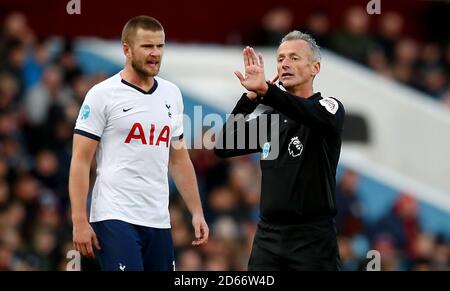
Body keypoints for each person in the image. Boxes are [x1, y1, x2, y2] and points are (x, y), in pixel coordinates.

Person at [69, 16, 209, 271]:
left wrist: (196, 211)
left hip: (158, 218)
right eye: (147, 46)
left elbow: (178, 159)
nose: (155, 53)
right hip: (114, 215)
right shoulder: (102, 95)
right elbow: (80, 160)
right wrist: (79, 219)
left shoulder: (171, 94)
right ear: (127, 49)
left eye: (160, 46)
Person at [214, 31, 345, 270]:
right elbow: (224, 145)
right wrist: (250, 98)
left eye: (294, 58)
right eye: (281, 58)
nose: (285, 63)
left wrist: (268, 91)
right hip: (268, 238)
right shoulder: (272, 119)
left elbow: (307, 112)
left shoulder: (329, 108)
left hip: (312, 240)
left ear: (315, 68)